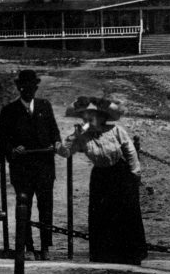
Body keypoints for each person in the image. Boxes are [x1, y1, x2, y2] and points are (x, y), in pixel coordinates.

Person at [58, 96, 146, 265]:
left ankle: (130, 256)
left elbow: (130, 151)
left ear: (101, 117)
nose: (87, 119)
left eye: (91, 115)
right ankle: (104, 256)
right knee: (102, 217)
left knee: (125, 215)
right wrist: (73, 137)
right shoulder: (83, 137)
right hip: (101, 178)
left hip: (120, 175)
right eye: (84, 116)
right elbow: (65, 153)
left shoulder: (115, 130)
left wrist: (135, 174)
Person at [0, 70, 63, 260]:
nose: (29, 90)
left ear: (36, 87)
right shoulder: (9, 111)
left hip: (44, 168)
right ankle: (28, 247)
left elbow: (54, 132)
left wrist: (57, 143)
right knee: (24, 208)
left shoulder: (45, 106)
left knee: (46, 208)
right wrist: (12, 150)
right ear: (19, 88)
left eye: (33, 87)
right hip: (22, 169)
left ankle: (46, 247)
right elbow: (1, 141)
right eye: (25, 87)